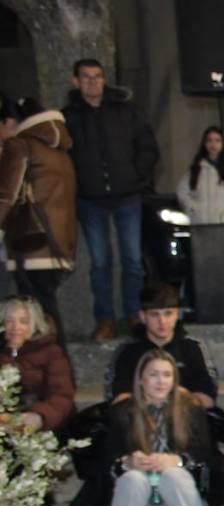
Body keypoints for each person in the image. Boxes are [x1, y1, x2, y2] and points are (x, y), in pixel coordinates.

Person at [102, 349, 224, 506]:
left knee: (174, 473)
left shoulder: (189, 407)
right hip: (140, 499)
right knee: (132, 480)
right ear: (141, 379)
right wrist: (127, 462)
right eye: (153, 375)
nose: (161, 381)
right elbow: (108, 459)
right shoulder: (123, 411)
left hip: (182, 496)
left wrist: (177, 460)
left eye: (167, 375)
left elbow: (205, 453)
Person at [63, 58, 159, 341]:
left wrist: (137, 176)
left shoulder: (127, 111)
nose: (93, 82)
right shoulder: (69, 117)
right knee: (100, 262)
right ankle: (104, 319)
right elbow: (64, 158)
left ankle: (133, 314)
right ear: (75, 81)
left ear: (105, 79)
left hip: (127, 194)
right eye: (87, 77)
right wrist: (78, 185)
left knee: (132, 260)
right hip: (90, 199)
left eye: (98, 76)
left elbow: (147, 146)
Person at [0, 95, 76, 332]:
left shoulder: (19, 145)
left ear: (10, 122)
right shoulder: (57, 148)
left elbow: (7, 194)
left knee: (39, 318)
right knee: (45, 313)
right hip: (57, 242)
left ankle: (57, 366)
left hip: (31, 244)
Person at [107, 283, 218, 408]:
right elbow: (117, 399)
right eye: (154, 315)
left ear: (177, 315)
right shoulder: (127, 351)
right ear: (143, 317)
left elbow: (208, 398)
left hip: (185, 416)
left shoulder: (192, 348)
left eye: (168, 314)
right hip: (140, 419)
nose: (162, 321)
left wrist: (176, 399)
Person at [0, 295, 74, 433]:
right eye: (9, 321)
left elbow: (62, 395)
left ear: (34, 324)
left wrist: (39, 417)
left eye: (23, 321)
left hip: (40, 423)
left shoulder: (51, 352)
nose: (15, 327)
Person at [175, 125, 224, 224]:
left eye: (217, 140)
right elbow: (182, 191)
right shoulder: (196, 170)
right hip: (201, 223)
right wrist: (192, 208)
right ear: (204, 143)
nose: (213, 144)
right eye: (209, 140)